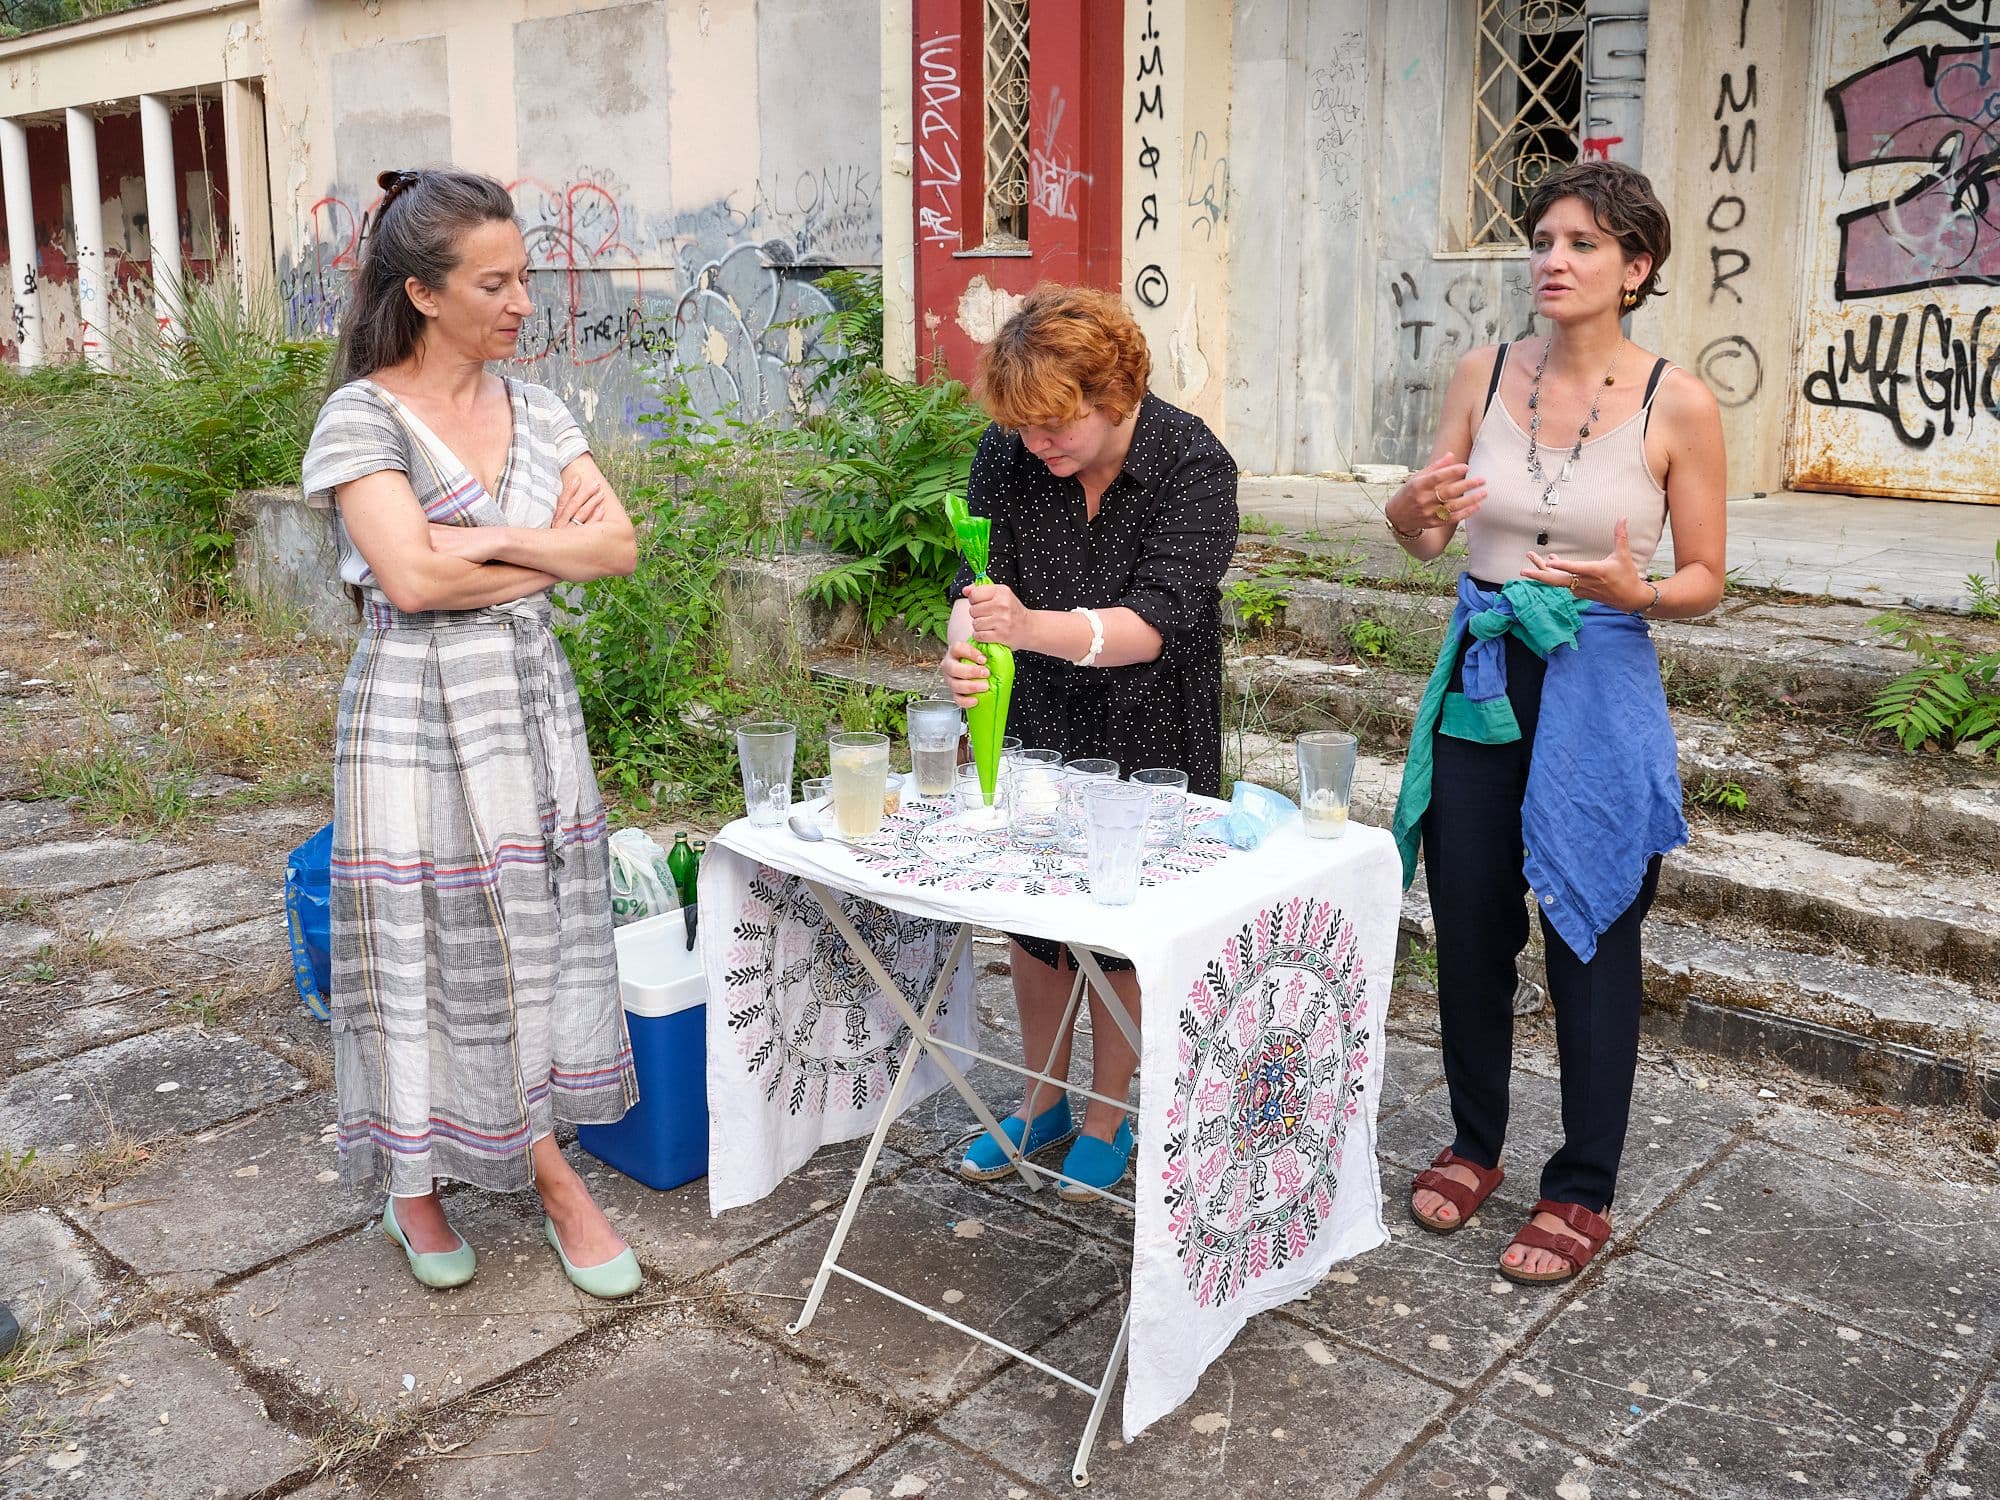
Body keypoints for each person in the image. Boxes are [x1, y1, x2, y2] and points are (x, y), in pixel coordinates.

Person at [299, 168, 643, 1299]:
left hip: (529, 710)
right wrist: (537, 539)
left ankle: (539, 1160)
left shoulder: (538, 409)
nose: (520, 304)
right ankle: (420, 1186)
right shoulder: (362, 416)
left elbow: (616, 551)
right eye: (493, 284)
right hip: (412, 717)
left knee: (532, 938)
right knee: (423, 945)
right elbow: (403, 578)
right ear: (423, 294)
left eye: (523, 279)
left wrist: (474, 554)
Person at [1383, 160, 1726, 1284]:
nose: (1551, 259)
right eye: (1540, 238)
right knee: (1470, 923)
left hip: (1596, 677)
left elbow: (1704, 577)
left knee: (1589, 934)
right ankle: (1474, 1143)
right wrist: (1407, 511)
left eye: (1581, 243)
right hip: (1482, 672)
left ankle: (1580, 1187)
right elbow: (1423, 533)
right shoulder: (1481, 372)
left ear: (1635, 269)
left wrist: (1638, 595)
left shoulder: (1678, 400)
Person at [938, 284, 1239, 1201]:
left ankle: (1107, 1110)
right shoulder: (1012, 445)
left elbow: (1156, 622)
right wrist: (965, 644)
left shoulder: (1194, 464)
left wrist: (1024, 630)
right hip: (1038, 722)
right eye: (1021, 428)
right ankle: (1041, 1102)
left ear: (1115, 394)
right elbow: (975, 579)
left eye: (1055, 425)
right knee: (1036, 924)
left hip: (1151, 724)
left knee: (1117, 932)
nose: (1035, 445)